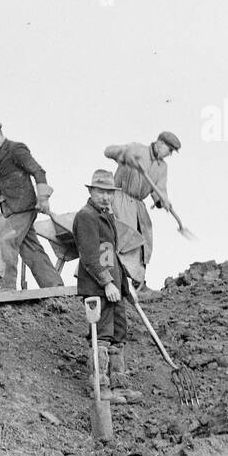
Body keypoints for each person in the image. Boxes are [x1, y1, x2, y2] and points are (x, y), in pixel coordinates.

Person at [72, 169, 142, 405]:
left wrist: (124, 283)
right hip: (97, 288)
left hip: (114, 288)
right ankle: (100, 387)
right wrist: (107, 282)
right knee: (101, 336)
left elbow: (112, 254)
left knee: (118, 334)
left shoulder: (107, 216)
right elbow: (90, 256)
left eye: (109, 193)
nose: (105, 197)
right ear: (91, 191)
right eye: (101, 192)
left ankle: (118, 386)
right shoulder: (86, 217)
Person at [0, 119, 63, 289]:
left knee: (5, 239)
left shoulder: (16, 149)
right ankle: (54, 285)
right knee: (31, 248)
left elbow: (38, 171)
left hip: (24, 206)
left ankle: (6, 286)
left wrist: (43, 198)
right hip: (9, 208)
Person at [102, 131, 181, 279]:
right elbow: (108, 151)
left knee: (143, 242)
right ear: (160, 144)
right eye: (170, 150)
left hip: (138, 206)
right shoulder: (137, 149)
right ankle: (117, 280)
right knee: (123, 240)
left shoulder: (162, 167)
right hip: (119, 199)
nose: (170, 154)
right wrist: (125, 156)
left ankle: (138, 282)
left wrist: (163, 201)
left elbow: (160, 189)